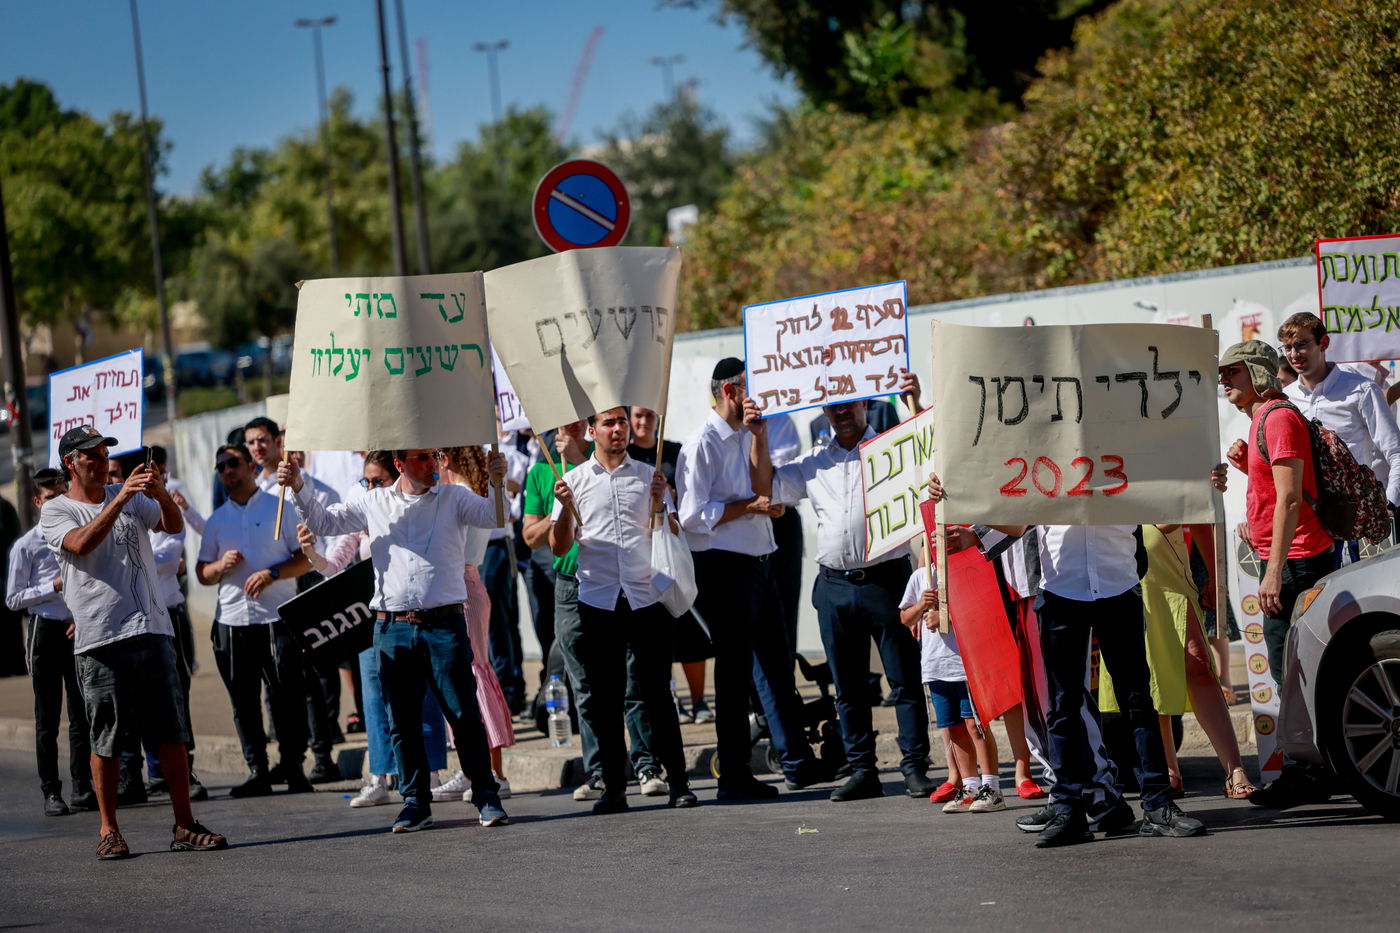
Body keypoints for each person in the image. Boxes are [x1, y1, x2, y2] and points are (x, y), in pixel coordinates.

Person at [928, 468, 1220, 847]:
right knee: (1062, 705)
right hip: (1062, 585)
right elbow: (1021, 518)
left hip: (1119, 580)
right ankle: (1069, 807)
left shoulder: (1127, 446)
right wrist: (959, 502)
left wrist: (1204, 481)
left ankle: (1157, 804)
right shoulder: (1048, 451)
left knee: (1137, 699)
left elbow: (1165, 510)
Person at [281, 447, 510, 833]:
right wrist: (299, 484)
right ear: (401, 464)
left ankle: (487, 797)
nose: (432, 464)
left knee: (464, 715)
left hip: (445, 624)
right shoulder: (374, 501)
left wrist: (497, 482)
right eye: (421, 458)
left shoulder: (454, 497)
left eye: (434, 456)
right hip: (391, 627)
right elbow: (322, 521)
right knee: (402, 722)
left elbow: (495, 515)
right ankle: (415, 803)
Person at [746, 371, 936, 802]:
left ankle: (914, 767)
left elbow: (931, 454)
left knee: (904, 680)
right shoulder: (814, 461)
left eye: (850, 402)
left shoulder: (894, 449)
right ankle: (862, 770)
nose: (842, 410)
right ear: (824, 410)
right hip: (834, 586)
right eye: (833, 404)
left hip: (887, 582)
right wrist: (758, 435)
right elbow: (766, 489)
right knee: (848, 688)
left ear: (866, 403)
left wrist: (914, 402)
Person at [41, 425, 224, 859]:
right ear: (71, 463)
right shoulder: (57, 510)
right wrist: (119, 499)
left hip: (152, 629)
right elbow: (81, 545)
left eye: (105, 451)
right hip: (100, 638)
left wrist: (159, 493)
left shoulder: (129, 493)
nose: (102, 459)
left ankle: (184, 824)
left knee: (171, 733)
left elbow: (173, 525)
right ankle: (109, 830)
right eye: (92, 454)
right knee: (106, 737)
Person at [676, 358, 830, 800]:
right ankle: (734, 775)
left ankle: (797, 762)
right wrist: (749, 507)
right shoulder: (701, 443)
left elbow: (764, 487)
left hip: (760, 561)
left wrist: (760, 447)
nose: (757, 396)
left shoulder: (749, 433)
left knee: (779, 665)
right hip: (723, 567)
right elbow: (692, 517)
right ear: (729, 392)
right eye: (748, 389)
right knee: (735, 673)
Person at [550, 406, 697, 813]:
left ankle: (679, 782)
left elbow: (672, 533)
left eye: (621, 422)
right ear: (591, 431)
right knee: (604, 699)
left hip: (645, 597)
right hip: (598, 600)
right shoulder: (573, 481)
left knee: (657, 695)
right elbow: (559, 547)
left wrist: (660, 504)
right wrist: (563, 507)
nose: (618, 429)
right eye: (609, 423)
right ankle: (615, 787)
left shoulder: (650, 476)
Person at [524, 420, 669, 801]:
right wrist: (563, 507)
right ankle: (601, 772)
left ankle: (646, 764)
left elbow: (654, 524)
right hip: (574, 587)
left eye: (575, 425)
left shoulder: (621, 469)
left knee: (636, 682)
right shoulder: (544, 474)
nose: (568, 433)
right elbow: (534, 538)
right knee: (589, 687)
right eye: (564, 427)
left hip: (624, 589)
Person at [296, 451, 450, 809]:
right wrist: (311, 554)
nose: (369, 488)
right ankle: (379, 776)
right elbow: (334, 563)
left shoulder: (412, 509)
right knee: (373, 698)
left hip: (415, 612)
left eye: (377, 481)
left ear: (394, 477)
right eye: (365, 481)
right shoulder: (362, 510)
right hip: (373, 616)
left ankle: (430, 773)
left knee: (423, 696)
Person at [1219, 340, 1336, 809]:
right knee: (1294, 670)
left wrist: (1270, 573)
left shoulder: (1278, 418)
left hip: (1295, 564)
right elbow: (1280, 490)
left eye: (1233, 371)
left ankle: (1306, 772)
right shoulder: (1266, 420)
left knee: (1293, 672)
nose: (1224, 379)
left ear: (1259, 373)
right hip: (1289, 559)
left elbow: (1291, 500)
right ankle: (1314, 767)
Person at [1099, 524, 1254, 799]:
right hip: (1121, 567)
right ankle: (1169, 770)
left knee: (1199, 665)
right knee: (1149, 674)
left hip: (1169, 572)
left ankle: (1235, 770)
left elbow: (1198, 516)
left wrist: (1216, 576)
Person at [197, 443, 314, 798]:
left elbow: (305, 559)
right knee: (243, 701)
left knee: (287, 696)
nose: (227, 471)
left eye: (233, 463)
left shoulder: (278, 505)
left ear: (250, 466)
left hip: (276, 618)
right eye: (221, 467)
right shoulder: (217, 520)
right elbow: (203, 572)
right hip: (232, 622)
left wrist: (272, 573)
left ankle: (293, 767)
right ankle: (257, 771)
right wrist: (220, 567)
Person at [7, 468, 95, 816]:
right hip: (45, 629)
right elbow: (13, 599)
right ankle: (50, 790)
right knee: (47, 716)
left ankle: (82, 786)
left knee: (81, 713)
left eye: (62, 495)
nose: (56, 502)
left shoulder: (78, 535)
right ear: (37, 501)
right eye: (49, 498)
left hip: (77, 627)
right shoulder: (26, 546)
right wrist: (51, 587)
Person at [434, 447, 516, 802]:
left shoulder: (462, 494)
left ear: (447, 459)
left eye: (437, 456)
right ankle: (478, 770)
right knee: (469, 675)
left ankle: (493, 773)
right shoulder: (467, 491)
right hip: (464, 585)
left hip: (463, 586)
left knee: (473, 674)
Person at [1278, 312, 1400, 551]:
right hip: (1307, 526)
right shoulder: (1285, 399)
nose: (1293, 355)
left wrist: (1390, 504)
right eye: (1287, 348)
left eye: (1301, 345)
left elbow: (1395, 453)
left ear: (1323, 343)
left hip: (1357, 521)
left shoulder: (1361, 390)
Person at [897, 554, 1006, 813]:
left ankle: (992, 787)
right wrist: (922, 606)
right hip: (936, 667)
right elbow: (905, 618)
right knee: (953, 729)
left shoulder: (966, 571)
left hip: (965, 663)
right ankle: (969, 785)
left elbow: (981, 609)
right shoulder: (920, 577)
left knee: (975, 725)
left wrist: (945, 614)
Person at [628, 405, 713, 724]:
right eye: (637, 416)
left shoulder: (674, 452)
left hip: (672, 555)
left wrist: (671, 497)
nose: (642, 422)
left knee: (687, 622)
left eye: (649, 415)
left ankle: (699, 700)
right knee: (657, 629)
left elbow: (688, 498)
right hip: (642, 561)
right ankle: (668, 695)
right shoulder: (626, 456)